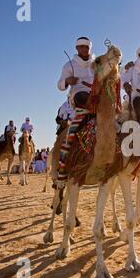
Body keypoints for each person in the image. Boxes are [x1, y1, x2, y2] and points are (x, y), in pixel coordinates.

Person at [56, 36, 96, 183]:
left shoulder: (96, 64)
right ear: (77, 48)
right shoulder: (69, 65)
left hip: (96, 97)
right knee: (82, 96)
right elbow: (59, 85)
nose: (84, 49)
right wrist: (67, 81)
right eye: (82, 47)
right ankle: (65, 163)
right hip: (79, 97)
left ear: (90, 48)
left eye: (87, 47)